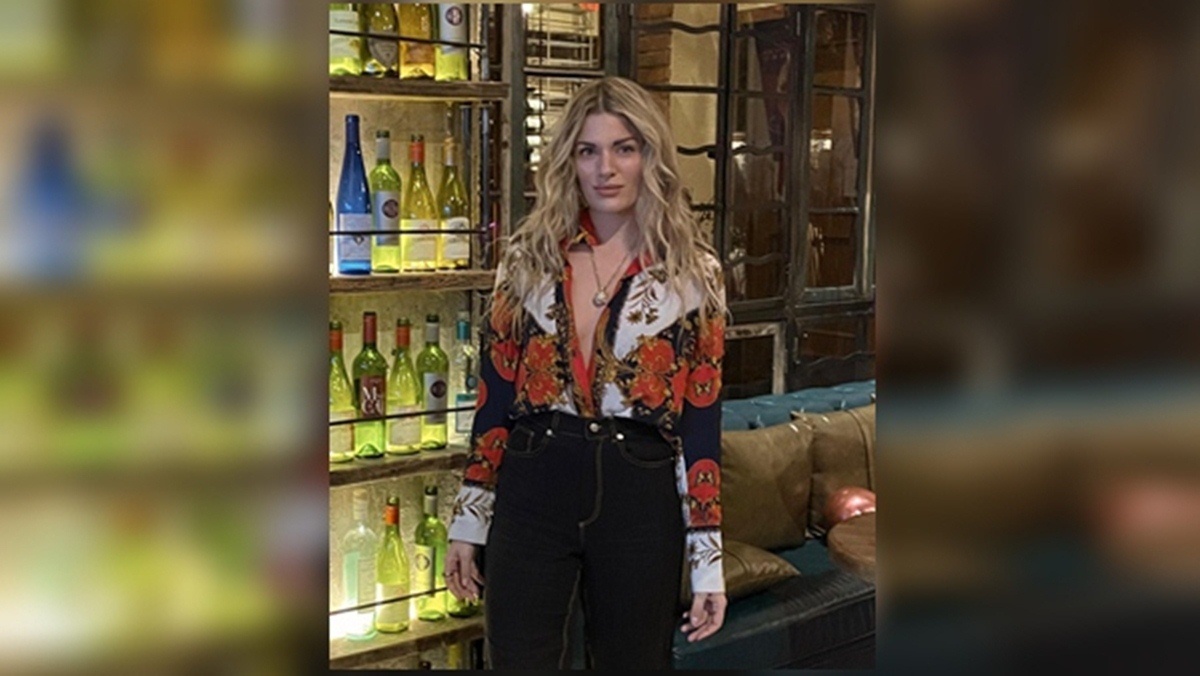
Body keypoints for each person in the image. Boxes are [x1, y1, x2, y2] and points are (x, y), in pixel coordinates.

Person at [444, 76, 728, 669]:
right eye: (588, 150)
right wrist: (468, 522)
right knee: (516, 660)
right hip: (534, 475)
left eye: (625, 148)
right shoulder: (528, 258)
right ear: (568, 162)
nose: (606, 168)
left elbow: (701, 419)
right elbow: (494, 398)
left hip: (638, 485)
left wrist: (708, 564)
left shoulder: (692, 271)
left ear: (650, 156)